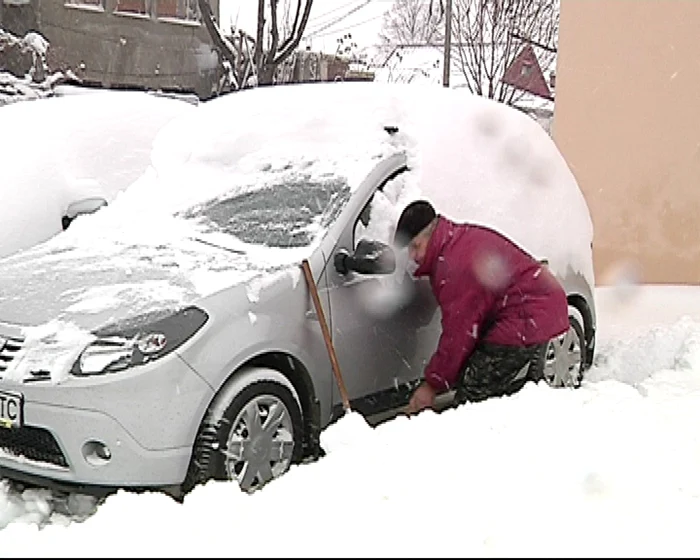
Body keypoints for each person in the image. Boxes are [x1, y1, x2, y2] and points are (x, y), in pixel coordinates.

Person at [393, 200, 570, 415]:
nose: (413, 256)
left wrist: (432, 385)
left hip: (529, 312)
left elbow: (458, 334)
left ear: (431, 233)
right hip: (530, 305)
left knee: (473, 399)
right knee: (479, 386)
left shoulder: (453, 266)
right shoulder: (453, 242)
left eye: (415, 247)